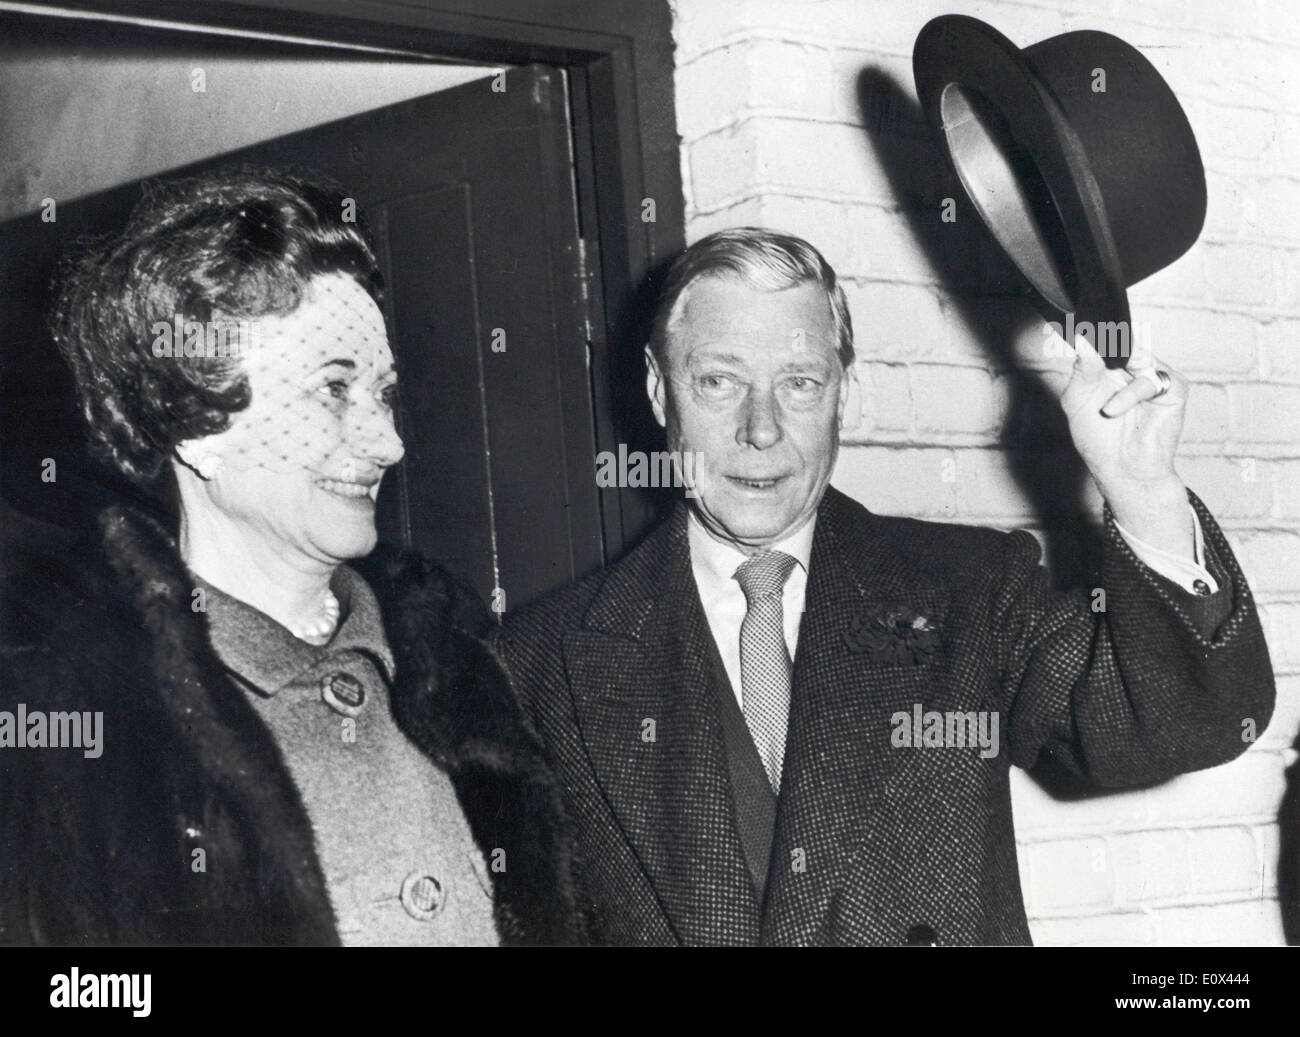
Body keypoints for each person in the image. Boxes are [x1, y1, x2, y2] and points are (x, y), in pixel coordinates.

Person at [491, 227, 1276, 946]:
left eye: (799, 382)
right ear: (662, 394)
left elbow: (1187, 724)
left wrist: (1140, 487)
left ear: (846, 395)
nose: (760, 428)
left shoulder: (971, 592)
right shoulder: (538, 666)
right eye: (719, 382)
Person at [0, 168, 581, 946]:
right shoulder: (81, 728)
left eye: (382, 393)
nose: (389, 442)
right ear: (196, 422)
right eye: (333, 390)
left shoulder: (460, 661)